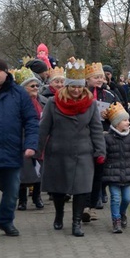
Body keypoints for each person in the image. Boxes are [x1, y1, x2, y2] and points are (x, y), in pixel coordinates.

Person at [39, 58, 105, 237]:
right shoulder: (53, 103)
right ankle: (59, 214)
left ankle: (77, 222)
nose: (76, 90)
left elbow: (96, 129)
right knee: (59, 189)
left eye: (79, 87)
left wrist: (100, 151)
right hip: (58, 151)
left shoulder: (90, 104)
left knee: (82, 189)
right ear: (67, 86)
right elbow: (44, 128)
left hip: (83, 152)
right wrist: (38, 150)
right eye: (73, 87)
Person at [0, 59, 40, 246]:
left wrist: (30, 144)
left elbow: (31, 121)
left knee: (12, 191)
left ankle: (5, 220)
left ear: (6, 73)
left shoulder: (19, 94)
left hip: (11, 151)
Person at [85, 62, 119, 219]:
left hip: (104, 135)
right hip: (85, 137)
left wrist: (110, 114)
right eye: (96, 77)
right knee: (86, 173)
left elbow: (120, 112)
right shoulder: (82, 93)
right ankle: (84, 204)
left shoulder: (109, 94)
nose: (99, 80)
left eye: (101, 77)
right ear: (87, 79)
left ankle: (95, 201)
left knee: (100, 171)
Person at [101, 103, 130, 233]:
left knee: (127, 199)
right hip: (112, 174)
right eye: (124, 120)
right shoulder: (107, 138)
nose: (128, 122)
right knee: (115, 198)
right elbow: (104, 155)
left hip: (127, 173)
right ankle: (116, 220)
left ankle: (122, 212)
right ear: (116, 123)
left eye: (128, 120)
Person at [15, 68, 45, 211]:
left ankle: (37, 197)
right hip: (23, 137)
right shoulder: (18, 102)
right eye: (32, 86)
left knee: (38, 170)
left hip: (39, 138)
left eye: (37, 86)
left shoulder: (42, 101)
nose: (36, 88)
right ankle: (22, 200)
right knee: (24, 170)